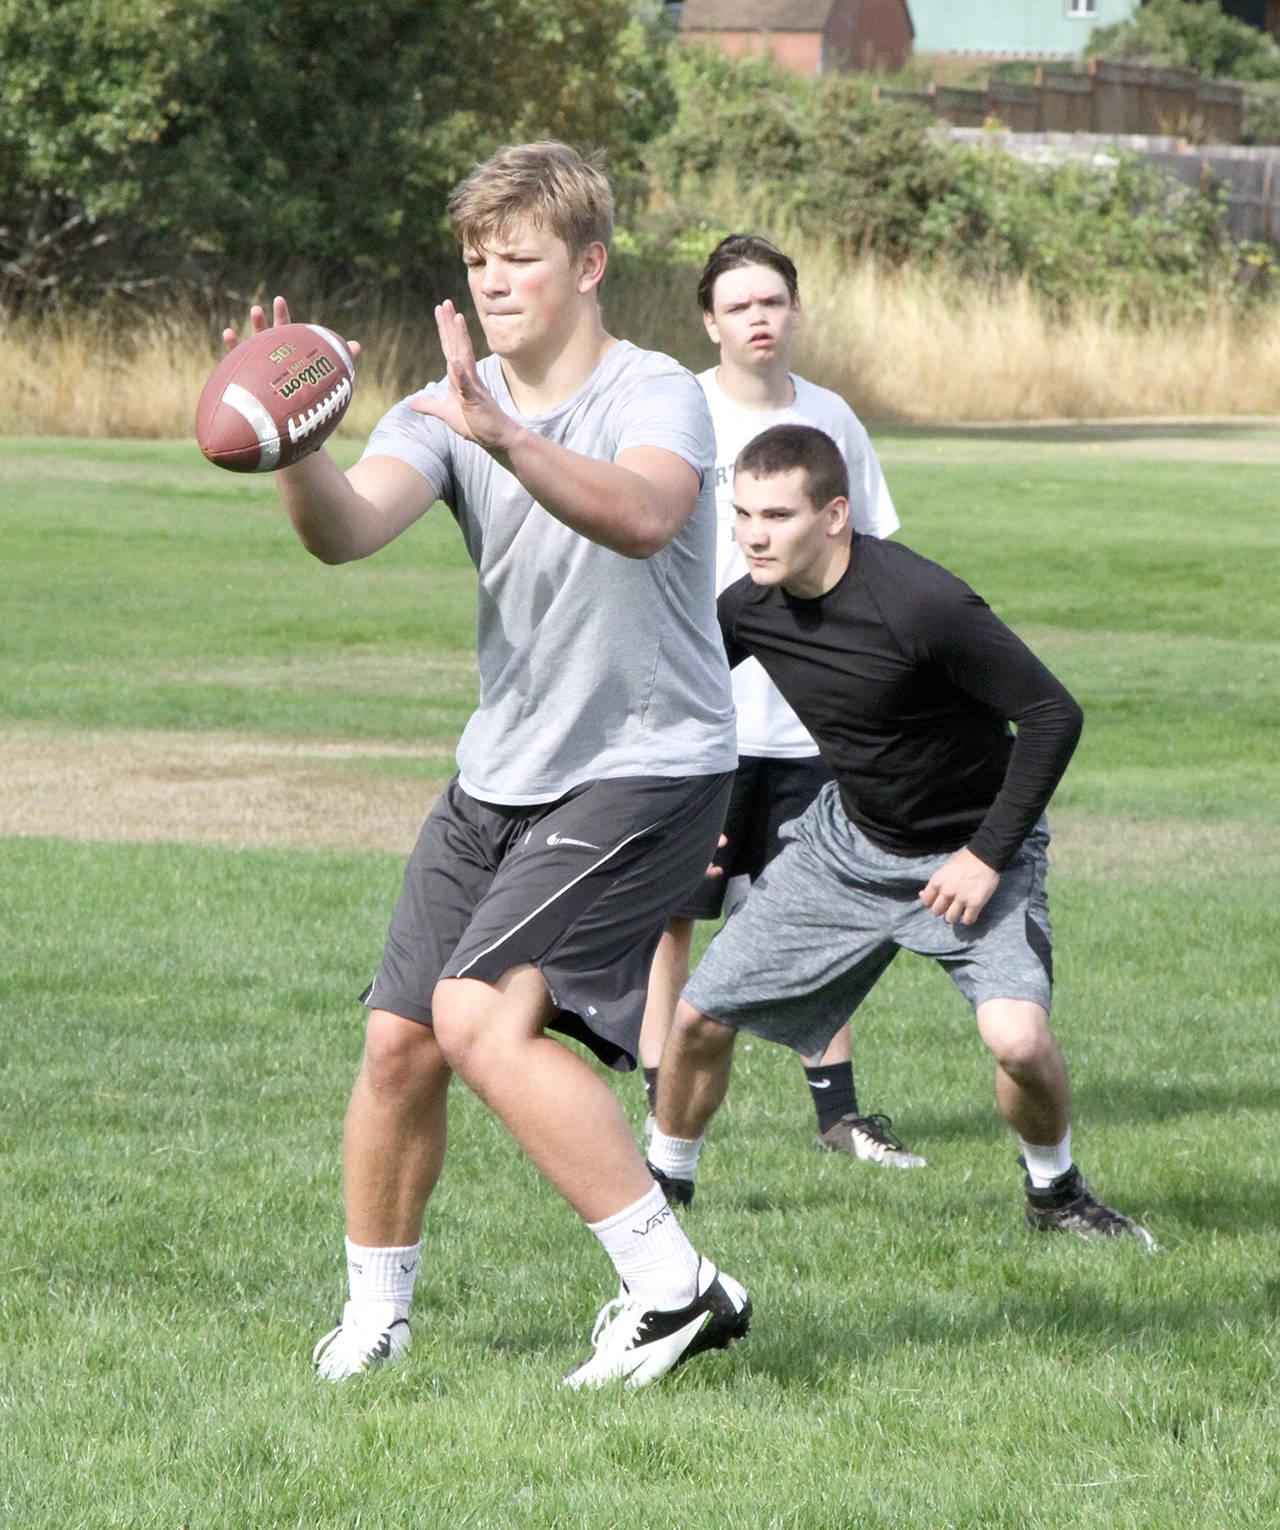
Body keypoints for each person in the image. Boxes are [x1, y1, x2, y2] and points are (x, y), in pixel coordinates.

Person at [223, 142, 752, 1388]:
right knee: (400, 1042)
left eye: (519, 257)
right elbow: (346, 535)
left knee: (478, 1016)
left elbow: (643, 516)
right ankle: (375, 1321)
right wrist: (298, 443)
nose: (494, 278)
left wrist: (503, 434)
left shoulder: (653, 391)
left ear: (590, 264)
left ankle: (668, 1285)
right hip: (498, 772)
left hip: (646, 764)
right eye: (476, 259)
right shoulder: (447, 404)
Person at [653, 423, 1154, 1246]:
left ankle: (1056, 1196)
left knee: (1019, 1041)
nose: (751, 534)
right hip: (845, 849)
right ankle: (662, 1196)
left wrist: (987, 856)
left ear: (837, 514)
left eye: (776, 515)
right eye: (741, 513)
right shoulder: (751, 605)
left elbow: (1053, 714)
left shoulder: (923, 604)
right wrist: (689, 813)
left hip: (974, 850)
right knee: (700, 1017)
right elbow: (680, 699)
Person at [640, 234, 924, 1186]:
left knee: (822, 914)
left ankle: (840, 1117)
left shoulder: (833, 420)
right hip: (698, 722)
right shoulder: (672, 409)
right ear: (709, 321)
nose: (760, 316)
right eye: (740, 304)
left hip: (810, 726)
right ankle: (660, 1106)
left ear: (794, 311)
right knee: (672, 919)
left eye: (774, 300)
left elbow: (877, 561)